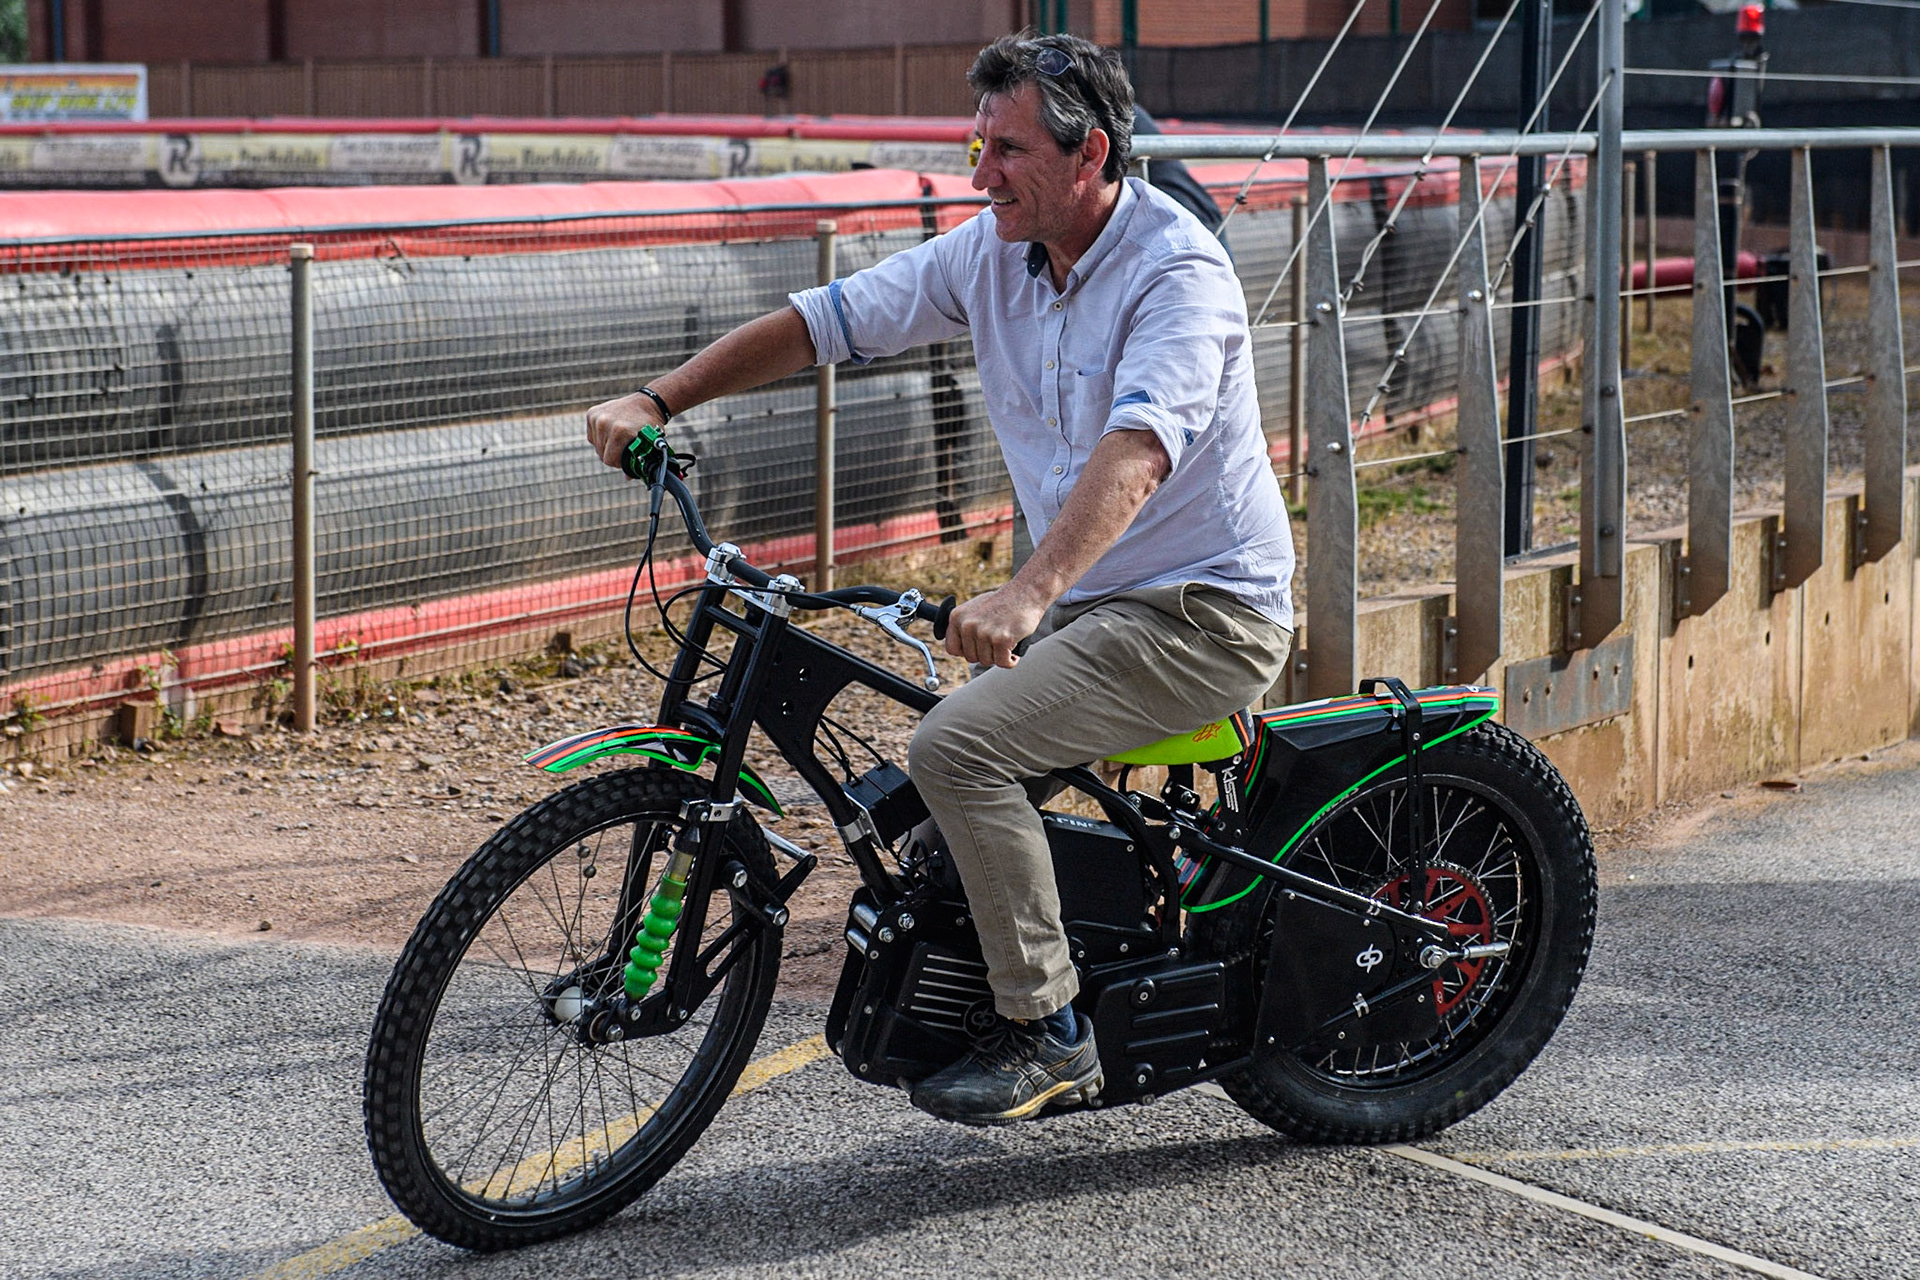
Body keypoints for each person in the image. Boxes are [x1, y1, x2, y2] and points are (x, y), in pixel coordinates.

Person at [586, 32, 1294, 1126]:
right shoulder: (994, 254)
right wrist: (659, 398)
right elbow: (828, 320)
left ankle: (1049, 1031)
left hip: (1203, 610)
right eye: (979, 146)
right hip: (1093, 603)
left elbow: (1141, 447)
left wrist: (1028, 592)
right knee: (927, 821)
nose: (980, 175)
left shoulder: (1177, 272)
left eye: (1008, 151)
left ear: (1090, 153)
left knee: (956, 749)